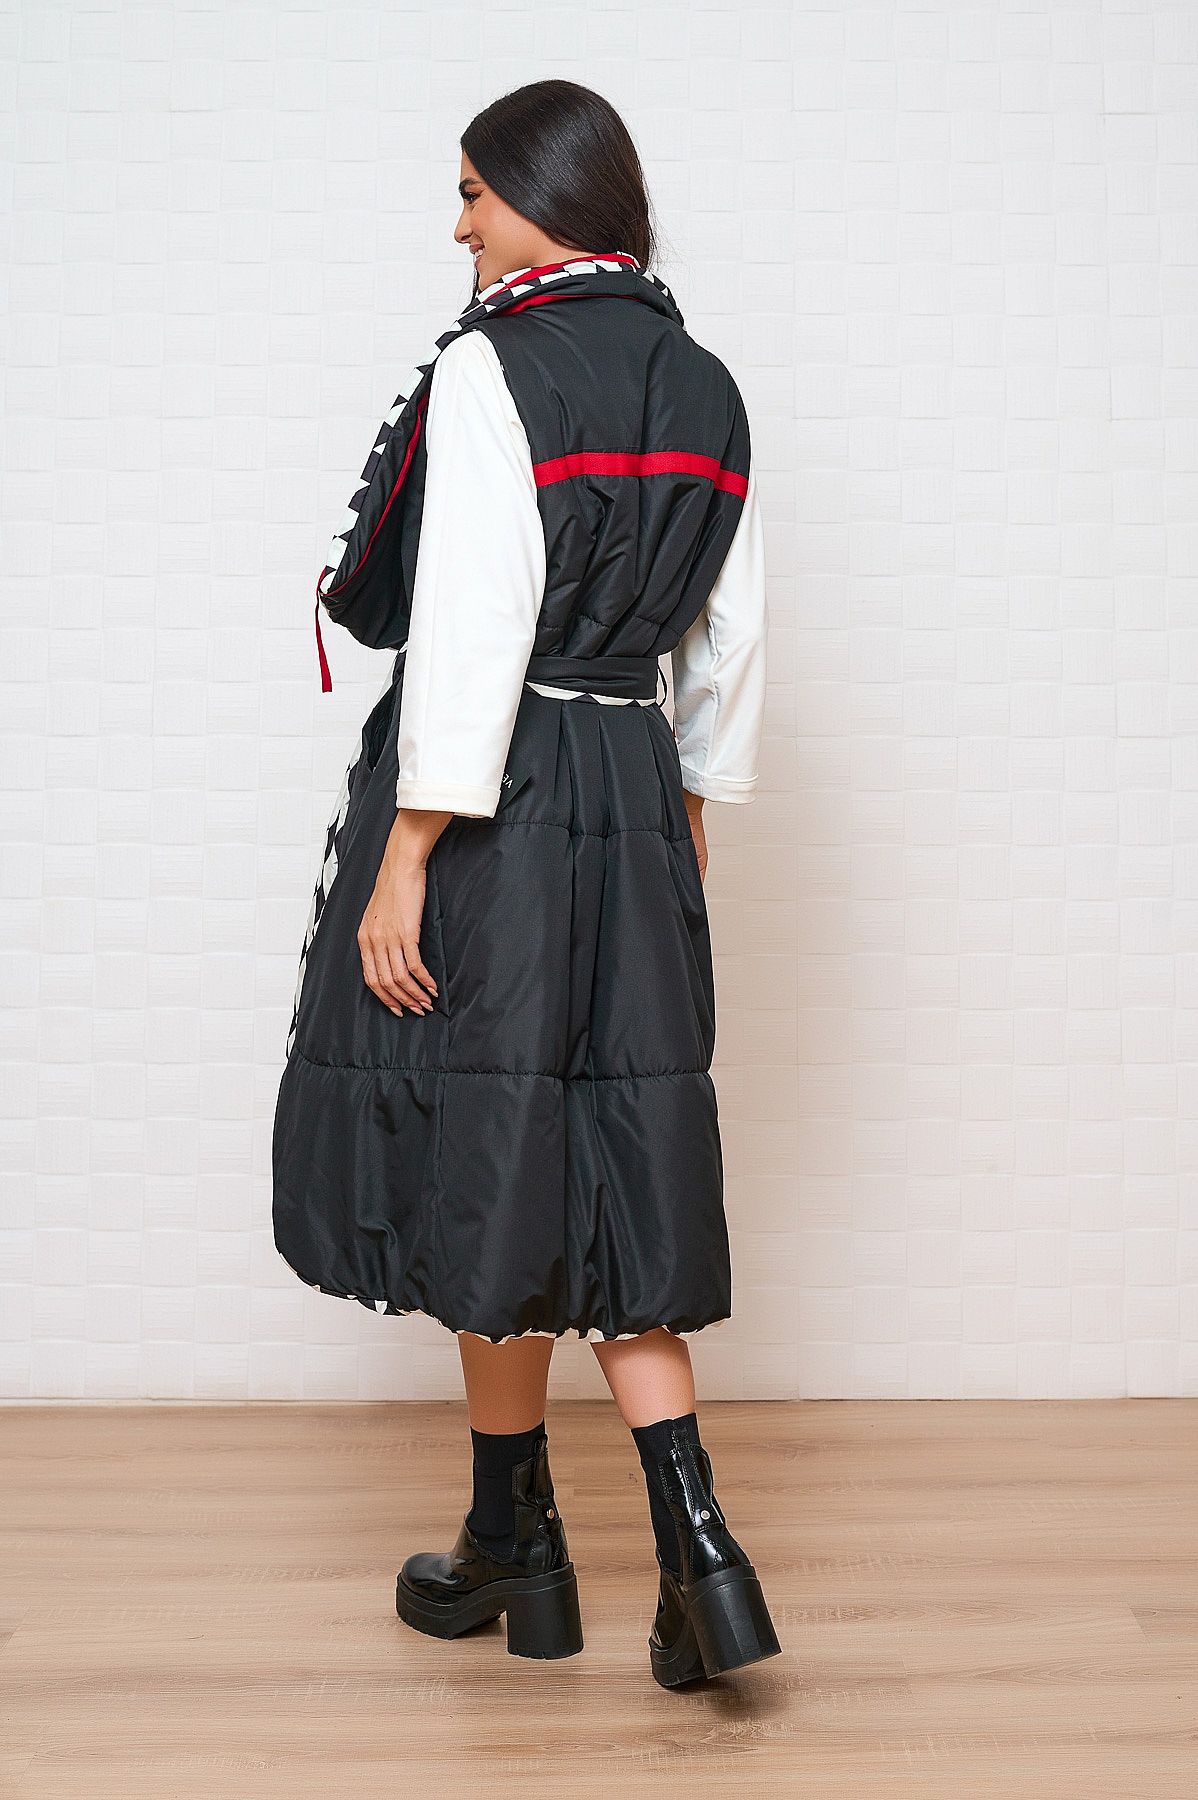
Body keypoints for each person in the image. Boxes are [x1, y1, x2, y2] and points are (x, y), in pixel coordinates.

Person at [272, 79, 780, 1687]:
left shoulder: (495, 365)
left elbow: (478, 622)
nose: (460, 227)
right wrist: (683, 816)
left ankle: (531, 1546)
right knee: (616, 1147)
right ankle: (678, 1557)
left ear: (545, 198)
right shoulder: (703, 380)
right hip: (629, 779)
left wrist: (407, 854)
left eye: (475, 194)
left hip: (500, 790)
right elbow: (728, 638)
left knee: (487, 1142)